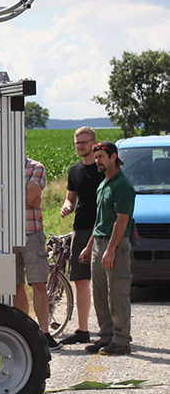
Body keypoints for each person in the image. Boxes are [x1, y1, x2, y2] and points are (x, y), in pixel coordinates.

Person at [79, 141, 136, 356]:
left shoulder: (123, 185)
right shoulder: (104, 184)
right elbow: (100, 221)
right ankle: (106, 337)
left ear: (113, 157)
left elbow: (121, 221)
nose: (97, 161)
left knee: (117, 294)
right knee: (100, 293)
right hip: (100, 243)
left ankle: (121, 341)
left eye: (101, 157)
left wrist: (111, 250)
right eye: (96, 158)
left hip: (116, 245)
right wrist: (89, 247)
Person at [58, 127, 103, 345]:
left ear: (94, 143)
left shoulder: (103, 168)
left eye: (84, 142)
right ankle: (82, 330)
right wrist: (66, 207)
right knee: (81, 280)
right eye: (77, 143)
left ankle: (110, 330)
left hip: (103, 230)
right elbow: (70, 198)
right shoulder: (74, 170)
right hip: (82, 228)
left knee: (105, 281)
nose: (81, 146)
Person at [14, 157, 62, 350]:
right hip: (7, 235)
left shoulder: (36, 167)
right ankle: (23, 333)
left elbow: (29, 196)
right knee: (15, 286)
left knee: (39, 284)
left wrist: (25, 197)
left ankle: (44, 333)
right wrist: (27, 197)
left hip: (31, 232)